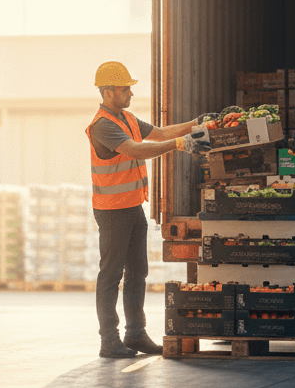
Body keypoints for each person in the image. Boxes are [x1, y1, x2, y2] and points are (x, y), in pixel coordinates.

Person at [86, 60, 209, 358]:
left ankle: (135, 334)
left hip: (132, 208)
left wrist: (197, 124)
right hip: (112, 210)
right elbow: (136, 149)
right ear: (108, 91)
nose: (130, 93)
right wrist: (181, 144)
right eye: (125, 88)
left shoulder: (125, 118)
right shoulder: (103, 126)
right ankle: (109, 340)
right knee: (111, 275)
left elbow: (161, 133)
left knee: (137, 272)